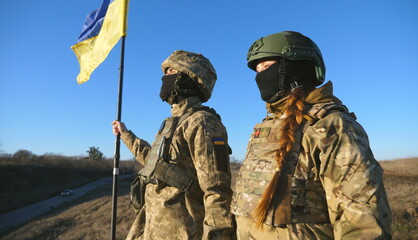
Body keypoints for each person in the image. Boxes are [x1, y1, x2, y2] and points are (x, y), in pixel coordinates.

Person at [231, 31, 392, 239]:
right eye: (257, 70)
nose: (260, 76)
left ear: (295, 67)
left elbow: (363, 224)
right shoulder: (265, 128)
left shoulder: (331, 126)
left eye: (267, 67)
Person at [112, 50, 236, 240]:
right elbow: (151, 162)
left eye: (171, 73)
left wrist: (217, 235)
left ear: (190, 78)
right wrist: (125, 134)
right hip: (152, 227)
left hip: (183, 231)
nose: (165, 78)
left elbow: (217, 191)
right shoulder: (171, 123)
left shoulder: (202, 122)